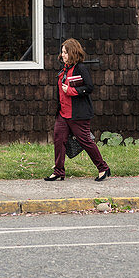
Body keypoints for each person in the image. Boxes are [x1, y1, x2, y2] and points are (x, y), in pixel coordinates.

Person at [44, 38, 111, 182]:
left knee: (85, 141)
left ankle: (103, 168)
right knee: (59, 139)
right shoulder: (64, 69)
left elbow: (89, 87)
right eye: (62, 52)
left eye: (65, 52)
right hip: (63, 113)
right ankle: (58, 171)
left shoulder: (80, 68)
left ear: (73, 53)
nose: (62, 55)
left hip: (78, 114)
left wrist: (72, 90)